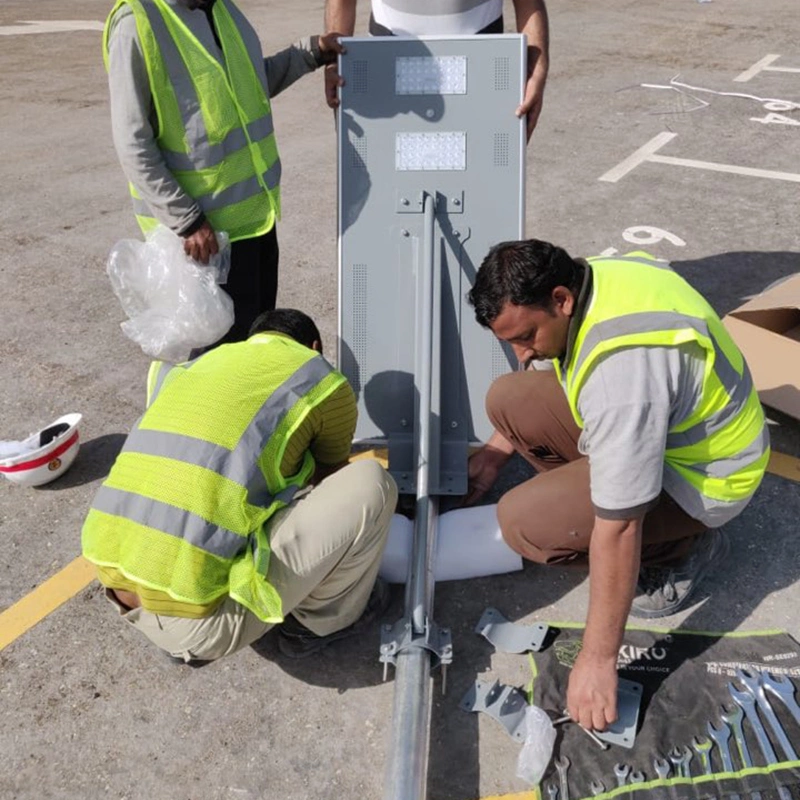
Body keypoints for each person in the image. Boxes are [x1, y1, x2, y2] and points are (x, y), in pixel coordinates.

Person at [465, 240, 769, 731]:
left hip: (708, 480)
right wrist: (498, 452)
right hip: (674, 429)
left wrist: (597, 660)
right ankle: (608, 489)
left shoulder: (622, 377)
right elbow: (553, 369)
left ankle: (679, 553)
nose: (521, 354)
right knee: (508, 398)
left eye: (525, 336)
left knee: (526, 525)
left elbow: (621, 526)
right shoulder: (596, 275)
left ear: (560, 298)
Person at [82, 308, 398, 662]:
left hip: (116, 582)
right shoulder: (320, 376)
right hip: (197, 623)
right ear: (314, 346)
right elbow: (331, 475)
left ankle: (180, 616)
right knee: (372, 485)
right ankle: (318, 624)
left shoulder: (192, 369)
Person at [105, 0, 345, 343]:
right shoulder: (136, 24)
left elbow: (249, 84)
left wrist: (312, 52)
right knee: (215, 363)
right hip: (205, 242)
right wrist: (185, 220)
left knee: (253, 348)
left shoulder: (221, 10)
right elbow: (132, 141)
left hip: (255, 224)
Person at [323, 0, 549, 140]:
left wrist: (535, 67)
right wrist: (334, 60)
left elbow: (529, 3)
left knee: (480, 191)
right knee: (392, 194)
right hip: (389, 67)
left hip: (480, 69)